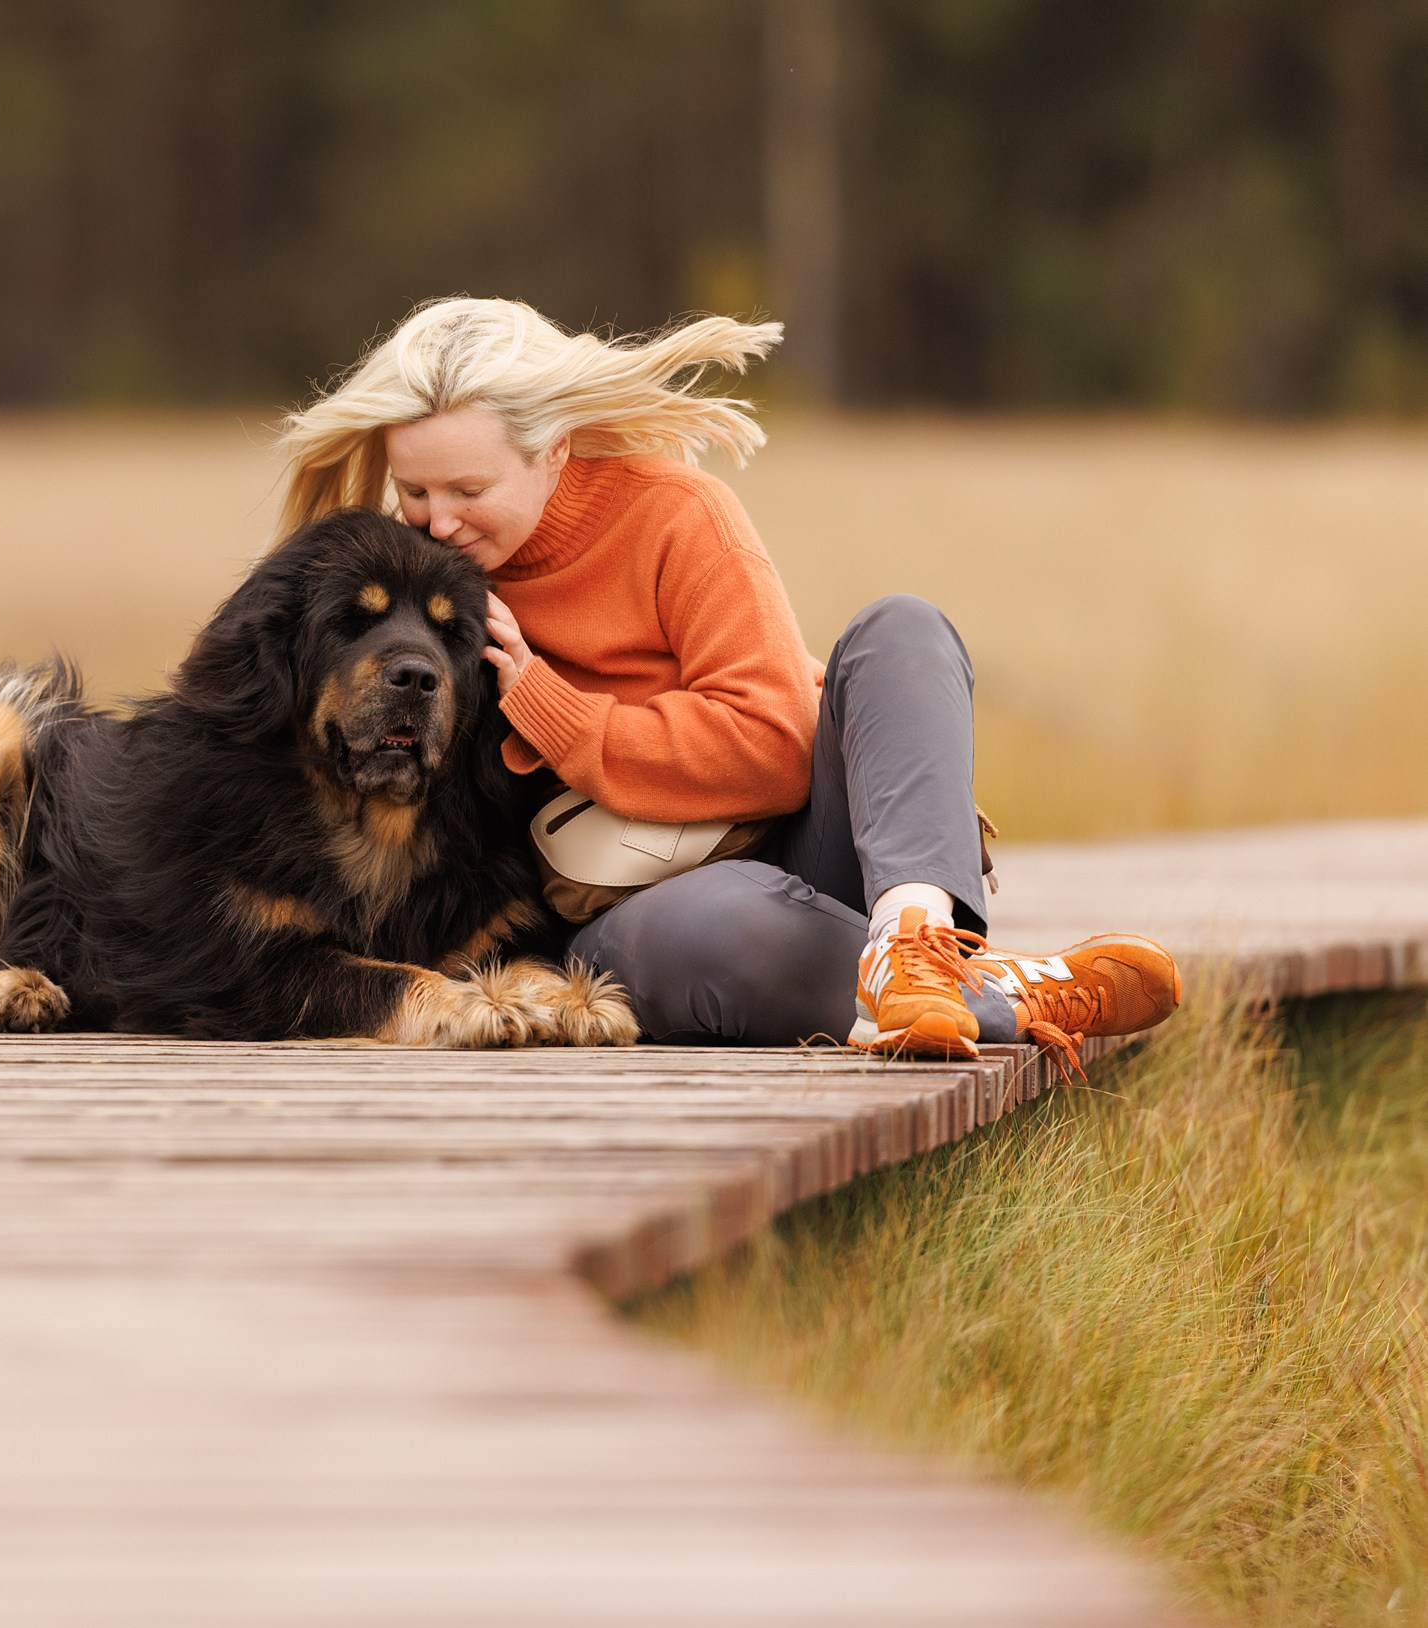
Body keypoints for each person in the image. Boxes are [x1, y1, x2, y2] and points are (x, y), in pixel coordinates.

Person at [276, 297, 1179, 1067]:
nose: (437, 526)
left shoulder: (676, 516)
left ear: (553, 450)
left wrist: (553, 708)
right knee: (722, 934)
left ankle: (912, 937)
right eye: (415, 494)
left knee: (901, 630)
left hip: (800, 842)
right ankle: (995, 993)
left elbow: (778, 748)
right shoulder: (422, 588)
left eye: (467, 489)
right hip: (633, 910)